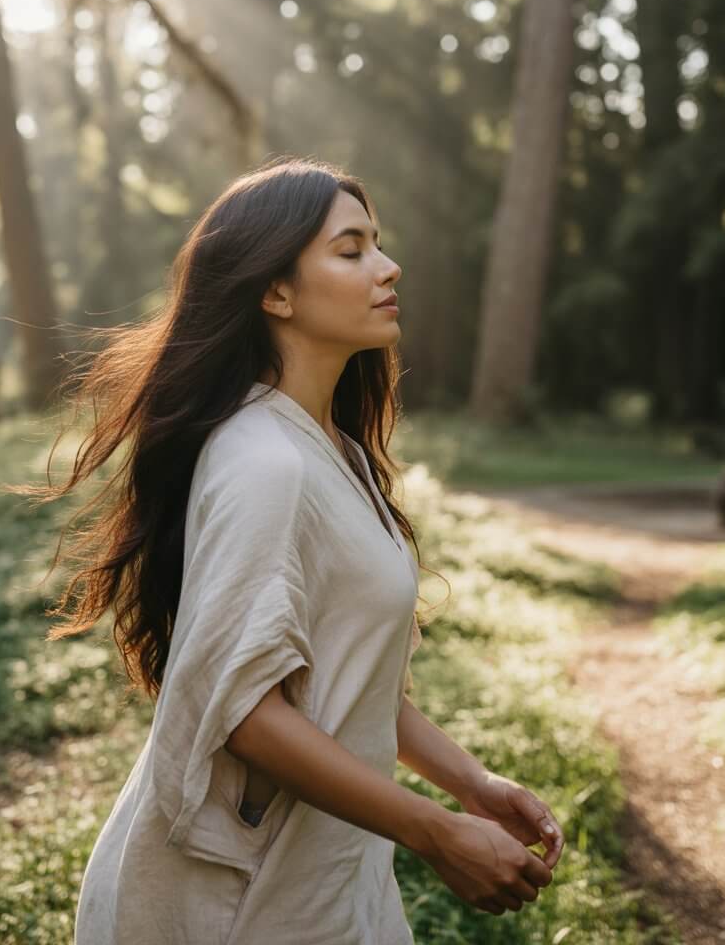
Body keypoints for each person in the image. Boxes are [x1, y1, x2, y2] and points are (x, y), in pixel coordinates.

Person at [38, 156, 564, 944]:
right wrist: (435, 832)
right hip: (234, 903)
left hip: (329, 876)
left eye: (376, 244)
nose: (389, 266)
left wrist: (472, 785)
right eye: (350, 250)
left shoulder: (331, 449)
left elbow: (346, 684)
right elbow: (246, 715)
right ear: (275, 290)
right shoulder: (265, 463)